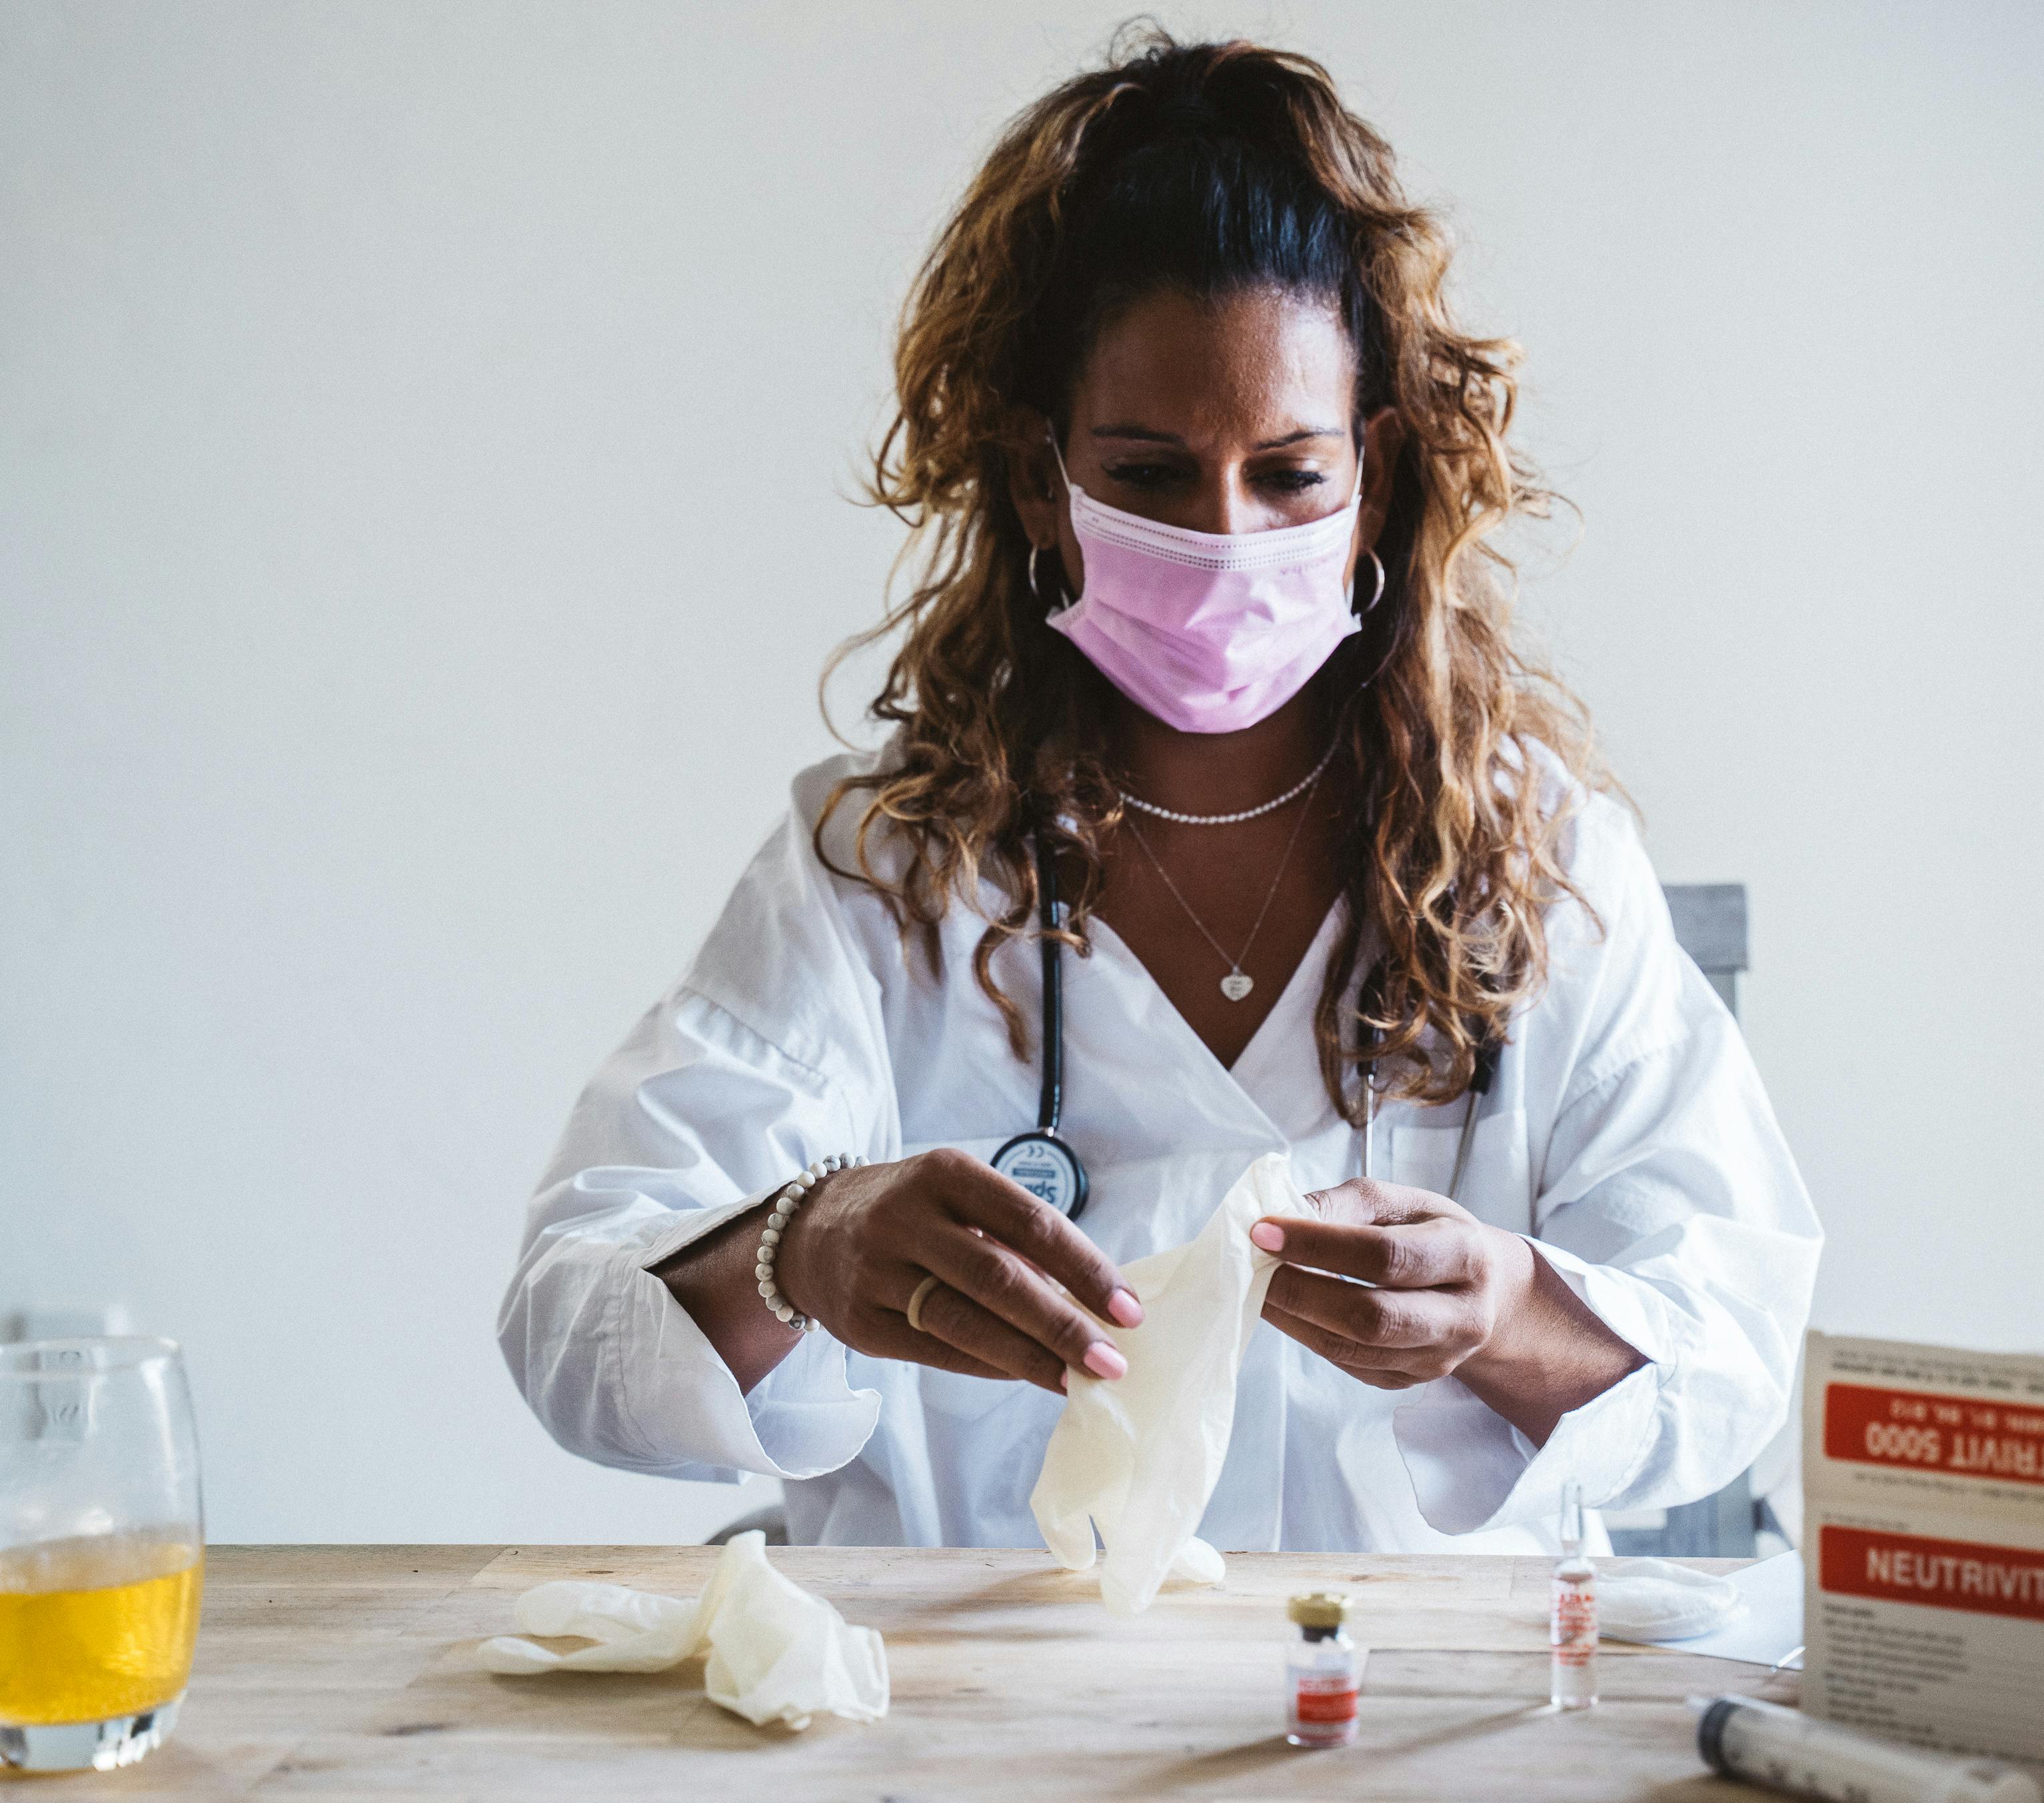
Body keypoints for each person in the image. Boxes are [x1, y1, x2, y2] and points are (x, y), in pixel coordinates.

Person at [499, 29, 1819, 1556]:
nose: (1222, 537)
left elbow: (1732, 1353)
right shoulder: (878, 875)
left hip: (1399, 1730)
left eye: (1288, 474)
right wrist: (803, 1247)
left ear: (1375, 475)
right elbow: (567, 1325)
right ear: (1036, 476)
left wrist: (1510, 1312)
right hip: (975, 1730)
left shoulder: (1535, 855)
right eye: (1144, 474)